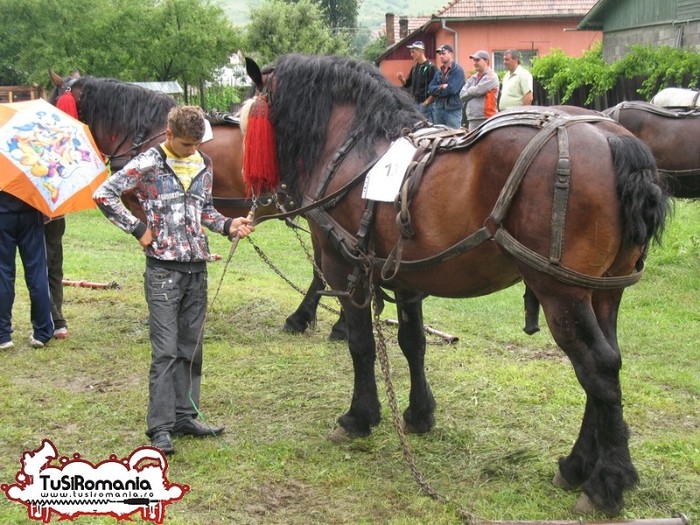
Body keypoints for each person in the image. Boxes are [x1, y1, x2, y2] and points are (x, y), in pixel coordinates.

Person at [93, 105, 255, 456]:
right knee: (165, 351)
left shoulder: (204, 164)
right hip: (163, 271)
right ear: (168, 136)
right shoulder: (146, 163)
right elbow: (103, 195)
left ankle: (185, 415)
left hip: (197, 267)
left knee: (190, 348)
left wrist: (229, 225)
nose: (190, 151)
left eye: (196, 145)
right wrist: (137, 228)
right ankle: (161, 427)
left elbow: (206, 211)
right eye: (184, 145)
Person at [49, 72, 83, 339]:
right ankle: (55, 320)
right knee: (51, 265)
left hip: (42, 213)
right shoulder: (59, 144)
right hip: (49, 212)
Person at [0, 191, 54, 350]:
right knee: (38, 273)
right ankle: (42, 332)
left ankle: (3, 335)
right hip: (31, 210)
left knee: (2, 273)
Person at [459, 50, 500, 131]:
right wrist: (473, 90)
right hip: (472, 118)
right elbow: (462, 95)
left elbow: (478, 91)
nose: (474, 63)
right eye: (474, 60)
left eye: (477, 60)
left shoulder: (492, 77)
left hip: (487, 118)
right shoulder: (472, 77)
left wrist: (470, 90)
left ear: (486, 61)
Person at [397, 40, 437, 121]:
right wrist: (401, 78)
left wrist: (426, 103)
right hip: (415, 104)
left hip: (427, 106)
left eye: (413, 52)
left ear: (421, 51)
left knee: (429, 130)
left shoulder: (431, 67)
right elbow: (406, 84)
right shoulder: (414, 68)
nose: (411, 54)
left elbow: (437, 88)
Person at [428, 44, 466, 129]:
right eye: (440, 54)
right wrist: (442, 87)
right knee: (439, 136)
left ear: (451, 54)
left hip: (452, 110)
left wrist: (436, 92)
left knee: (454, 137)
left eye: (443, 53)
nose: (441, 56)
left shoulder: (458, 70)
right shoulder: (438, 72)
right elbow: (430, 89)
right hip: (438, 109)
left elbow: (452, 89)